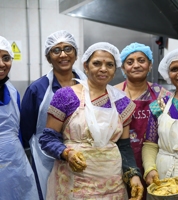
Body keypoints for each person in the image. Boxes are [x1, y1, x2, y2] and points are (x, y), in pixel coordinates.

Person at [39, 42, 144, 200]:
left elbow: (124, 146)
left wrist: (133, 175)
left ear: (115, 70)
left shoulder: (122, 102)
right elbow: (48, 138)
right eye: (97, 63)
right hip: (74, 180)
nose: (103, 69)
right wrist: (67, 153)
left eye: (109, 65)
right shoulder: (66, 96)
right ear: (85, 67)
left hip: (111, 183)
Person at [20, 30, 87, 200]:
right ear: (48, 58)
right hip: (46, 159)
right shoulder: (37, 89)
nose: (63, 54)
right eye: (56, 50)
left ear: (76, 54)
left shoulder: (89, 84)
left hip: (83, 157)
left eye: (68, 49)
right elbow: (26, 131)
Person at [142, 48, 178, 200]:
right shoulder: (160, 104)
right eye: (174, 69)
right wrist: (149, 169)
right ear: (169, 75)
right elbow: (150, 144)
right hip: (162, 180)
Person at [115, 42, 170, 199]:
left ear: (150, 64)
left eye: (141, 60)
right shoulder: (114, 93)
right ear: (123, 68)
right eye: (130, 62)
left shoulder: (161, 95)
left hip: (154, 160)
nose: (136, 65)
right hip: (120, 160)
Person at [0, 36, 39, 199]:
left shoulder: (12, 91)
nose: (2, 64)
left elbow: (18, 130)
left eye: (6, 58)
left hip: (14, 163)